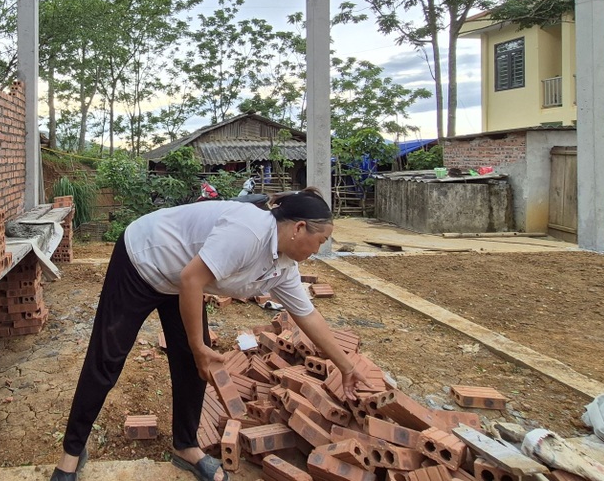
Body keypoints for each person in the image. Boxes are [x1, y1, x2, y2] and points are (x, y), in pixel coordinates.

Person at [50, 189, 367, 481]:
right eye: (322, 240)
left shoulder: (284, 266)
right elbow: (191, 279)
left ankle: (186, 447)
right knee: (108, 357)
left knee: (192, 364)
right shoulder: (249, 233)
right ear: (299, 228)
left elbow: (308, 315)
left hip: (182, 279)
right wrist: (198, 345)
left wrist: (347, 367)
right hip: (142, 261)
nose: (321, 248)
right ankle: (71, 453)